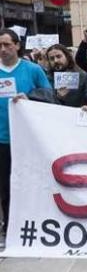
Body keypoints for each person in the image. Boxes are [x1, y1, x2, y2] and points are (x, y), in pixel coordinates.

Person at [0, 28, 51, 235]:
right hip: (2, 138)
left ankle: (33, 220)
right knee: (5, 184)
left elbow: (49, 94)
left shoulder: (32, 69)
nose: (2, 49)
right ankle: (10, 224)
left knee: (30, 181)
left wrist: (30, 97)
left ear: (18, 46)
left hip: (27, 137)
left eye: (7, 44)